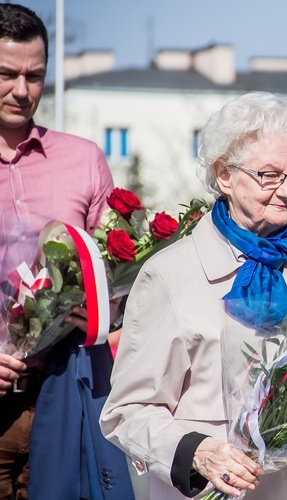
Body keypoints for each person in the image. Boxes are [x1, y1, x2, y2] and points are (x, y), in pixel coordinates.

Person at [101, 91, 287, 499]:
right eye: (269, 175)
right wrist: (198, 453)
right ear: (224, 175)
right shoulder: (169, 274)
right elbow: (126, 411)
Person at [0, 4, 132, 499]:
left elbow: (117, 280)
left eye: (35, 76)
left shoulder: (84, 161)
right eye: (7, 74)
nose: (22, 90)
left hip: (68, 397)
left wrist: (103, 308)